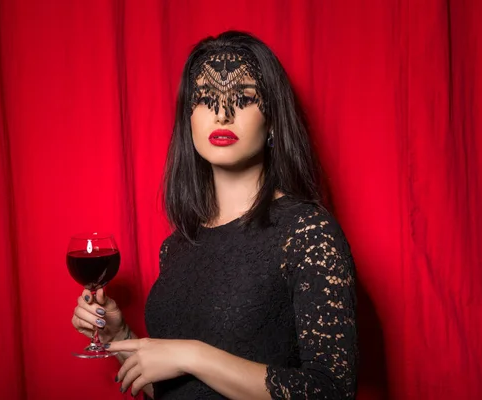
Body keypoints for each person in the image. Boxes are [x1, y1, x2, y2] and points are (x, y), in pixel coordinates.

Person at [71, 30, 358, 399]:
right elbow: (178, 391)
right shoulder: (177, 245)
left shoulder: (306, 231)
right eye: (206, 98)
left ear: (272, 120)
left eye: (244, 98)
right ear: (187, 119)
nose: (222, 113)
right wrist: (120, 336)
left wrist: (192, 355)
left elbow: (331, 392)